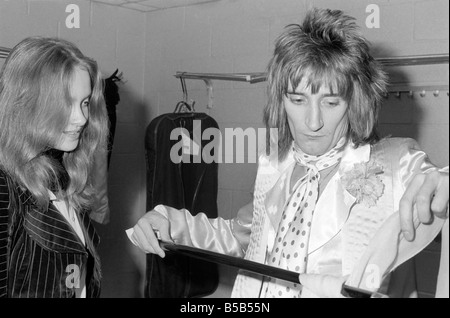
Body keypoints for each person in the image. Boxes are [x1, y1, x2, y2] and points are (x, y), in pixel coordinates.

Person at [130, 8, 449, 298]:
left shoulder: (395, 162)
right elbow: (240, 237)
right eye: (298, 100)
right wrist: (169, 222)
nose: (313, 122)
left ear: (355, 103)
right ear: (281, 103)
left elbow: (437, 187)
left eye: (331, 101)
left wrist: (444, 183)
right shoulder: (275, 167)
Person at [0, 36, 108, 298]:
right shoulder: (6, 185)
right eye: (66, 103)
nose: (82, 118)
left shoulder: (67, 179)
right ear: (27, 103)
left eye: (84, 103)